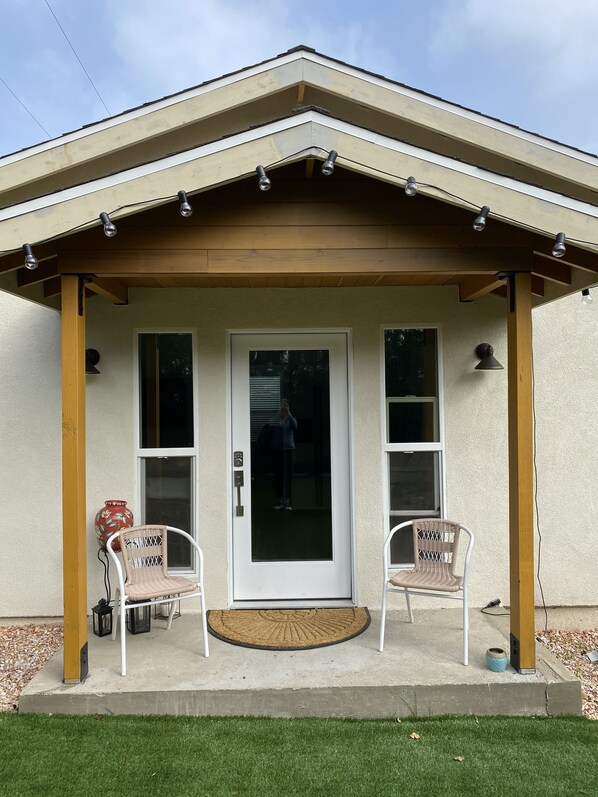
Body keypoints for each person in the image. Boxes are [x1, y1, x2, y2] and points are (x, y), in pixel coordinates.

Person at [270, 399, 297, 509]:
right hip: (277, 450)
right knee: (278, 475)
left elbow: (295, 426)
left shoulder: (290, 419)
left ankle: (288, 501)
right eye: (281, 407)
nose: (283, 409)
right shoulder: (276, 418)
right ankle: (280, 500)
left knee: (288, 476)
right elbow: (269, 425)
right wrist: (279, 416)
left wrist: (289, 414)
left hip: (288, 450)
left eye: (285, 407)